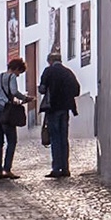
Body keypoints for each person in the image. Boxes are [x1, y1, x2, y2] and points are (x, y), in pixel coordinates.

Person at [38, 49, 82, 178]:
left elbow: (42, 89)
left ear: (50, 61)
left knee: (55, 138)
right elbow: (76, 90)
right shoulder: (68, 72)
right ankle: (66, 168)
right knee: (64, 138)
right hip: (65, 109)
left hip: (53, 109)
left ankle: (56, 168)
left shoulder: (48, 71)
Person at [0, 58, 33, 180]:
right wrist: (25, 98)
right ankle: (7, 169)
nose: (18, 75)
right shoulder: (11, 77)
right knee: (12, 141)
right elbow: (13, 91)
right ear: (16, 69)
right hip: (5, 110)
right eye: (19, 72)